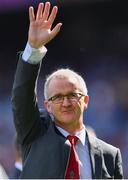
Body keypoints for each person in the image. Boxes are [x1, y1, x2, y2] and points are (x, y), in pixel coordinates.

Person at [11, 2, 123, 179]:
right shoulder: (34, 137)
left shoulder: (110, 155)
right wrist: (33, 48)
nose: (65, 102)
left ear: (86, 101)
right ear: (47, 105)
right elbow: (21, 98)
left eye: (73, 95)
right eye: (57, 97)